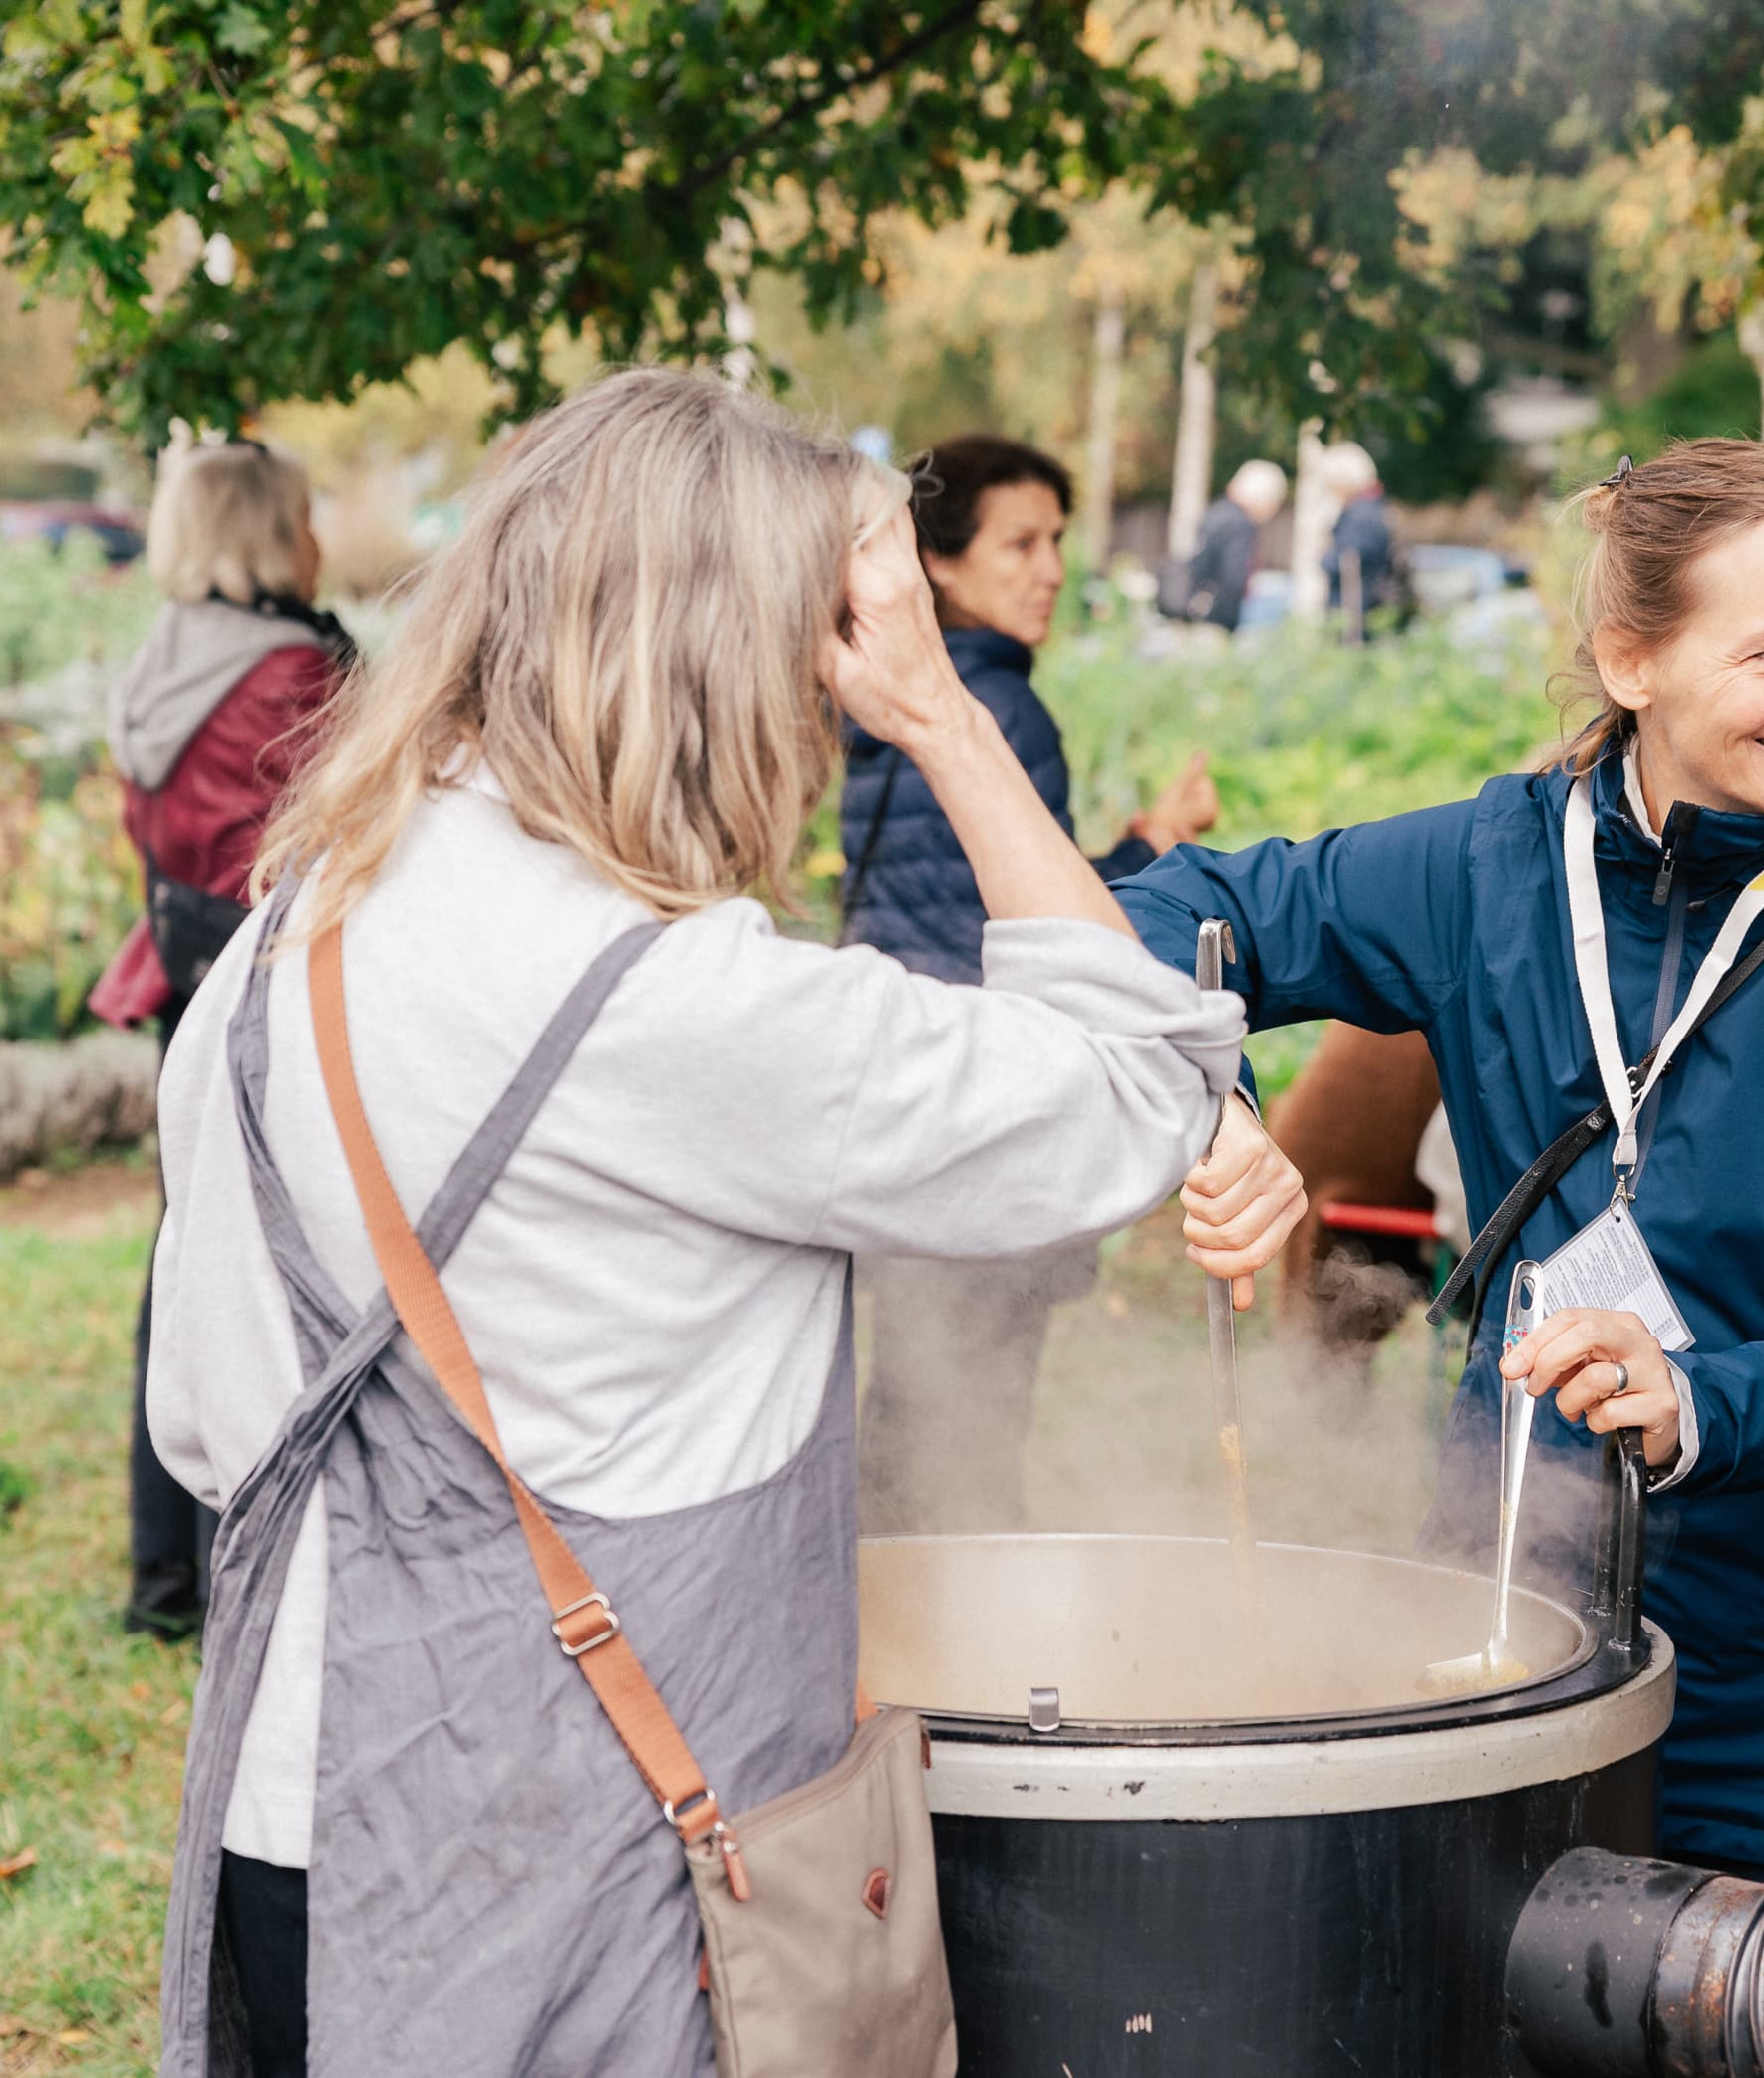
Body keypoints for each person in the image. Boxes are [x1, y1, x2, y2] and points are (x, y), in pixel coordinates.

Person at [143, 371, 1257, 2075]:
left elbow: (205, 1423)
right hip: (577, 1876)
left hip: (295, 1818)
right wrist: (942, 713)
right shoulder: (681, 1012)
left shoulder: (296, 933)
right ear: (737, 669)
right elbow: (1131, 1088)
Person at [1123, 440, 1764, 1878]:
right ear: (1631, 661)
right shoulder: (1493, 868)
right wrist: (1211, 1098)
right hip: (1501, 1612)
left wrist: (1695, 1399)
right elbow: (1162, 913)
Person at [839, 432, 1225, 1532]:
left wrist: (1138, 838)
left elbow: (974, 890)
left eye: (1057, 540)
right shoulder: (997, 713)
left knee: (915, 1412)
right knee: (960, 1436)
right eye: (1020, 543)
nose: (1051, 568)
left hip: (900, 1089)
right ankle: (947, 1660)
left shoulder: (880, 704)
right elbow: (1032, 934)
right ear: (941, 565)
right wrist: (1152, 858)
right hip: (978, 1107)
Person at [89, 438, 352, 1639]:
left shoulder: (160, 662)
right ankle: (241, 1564)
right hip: (277, 987)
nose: (320, 541)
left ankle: (165, 1579)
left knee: (187, 1249)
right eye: (302, 518)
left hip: (178, 964)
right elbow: (342, 834)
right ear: (267, 530)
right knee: (273, 1275)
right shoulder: (294, 671)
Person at [1166, 456, 1288, 631]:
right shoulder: (1239, 524)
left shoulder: (1217, 512)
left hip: (1197, 607)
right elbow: (1234, 577)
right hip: (1217, 617)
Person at [1323, 441, 1400, 638]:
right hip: (1366, 606)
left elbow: (1348, 563)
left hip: (1356, 614)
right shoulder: (1373, 508)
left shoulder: (1360, 515)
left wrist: (1324, 560)